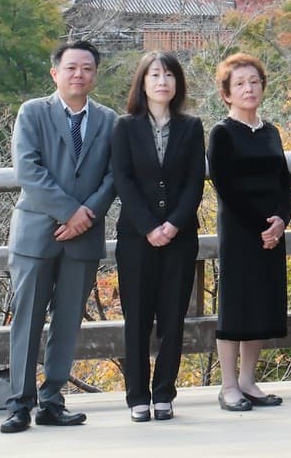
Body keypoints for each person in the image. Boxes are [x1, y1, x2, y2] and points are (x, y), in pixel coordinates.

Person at [0, 41, 117, 434]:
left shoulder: (109, 120)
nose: (78, 74)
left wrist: (86, 217)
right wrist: (70, 212)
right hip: (36, 232)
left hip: (83, 236)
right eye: (70, 68)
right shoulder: (33, 112)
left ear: (95, 74)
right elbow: (28, 171)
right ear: (55, 73)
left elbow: (114, 176)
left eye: (86, 68)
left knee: (67, 322)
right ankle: (19, 403)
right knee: (27, 320)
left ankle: (52, 400)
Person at [110, 51, 206, 421]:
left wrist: (174, 224)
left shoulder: (191, 126)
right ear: (142, 82)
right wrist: (149, 225)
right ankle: (137, 396)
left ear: (177, 82)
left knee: (173, 317)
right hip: (136, 238)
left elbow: (195, 181)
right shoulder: (125, 126)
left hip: (181, 236)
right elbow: (124, 180)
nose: (162, 81)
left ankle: (164, 392)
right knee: (136, 317)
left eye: (169, 75)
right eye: (154, 75)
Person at [208, 54, 291, 411]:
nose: (248, 88)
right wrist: (262, 225)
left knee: (261, 304)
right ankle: (228, 386)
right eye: (240, 83)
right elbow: (226, 186)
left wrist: (281, 221)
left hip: (272, 230)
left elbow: (284, 180)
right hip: (241, 230)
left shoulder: (271, 131)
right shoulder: (222, 132)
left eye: (254, 82)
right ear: (226, 93)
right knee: (236, 306)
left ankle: (248, 381)